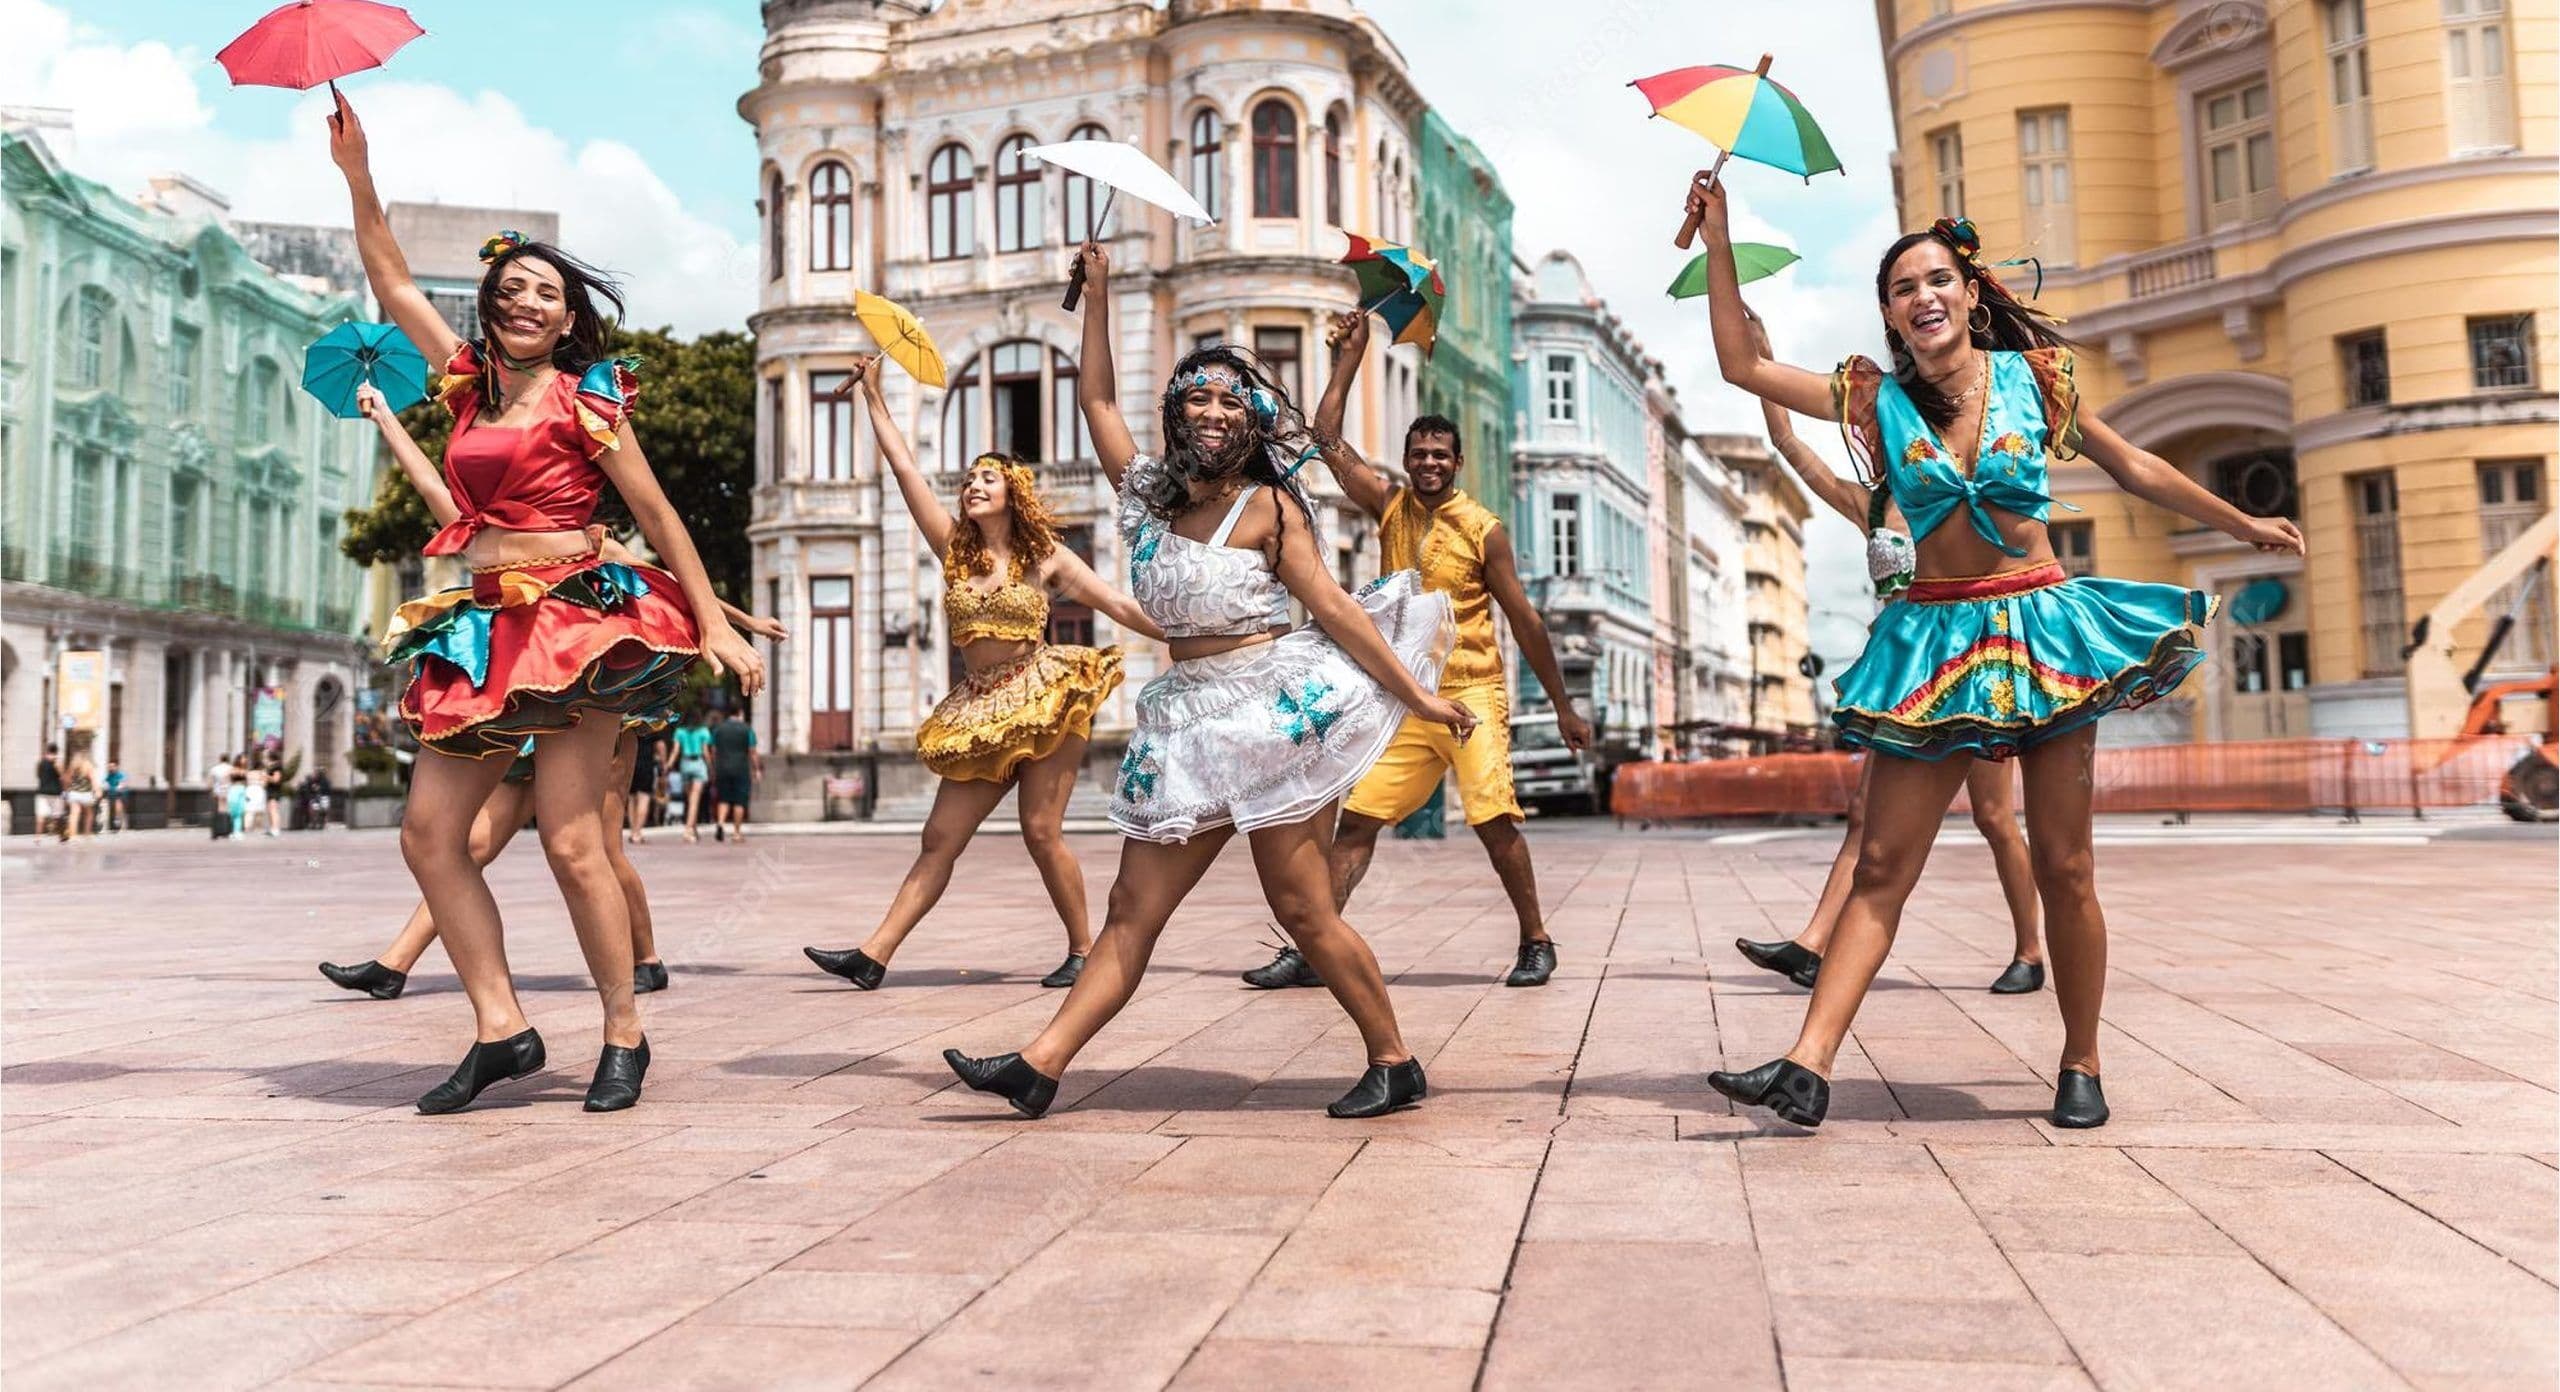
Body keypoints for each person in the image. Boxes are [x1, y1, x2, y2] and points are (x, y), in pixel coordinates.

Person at [1685, 176, 2302, 1130]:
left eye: (1937, 279)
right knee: (1884, 865)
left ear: (1970, 294)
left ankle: (2082, 1060)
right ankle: (1806, 1064)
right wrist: (1719, 239)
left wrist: (2241, 521)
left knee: (2067, 865)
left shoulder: (2037, 381)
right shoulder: (1870, 399)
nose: (1922, 297)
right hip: (1933, 636)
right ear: (1890, 314)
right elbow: (1740, 365)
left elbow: (2134, 465)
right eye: (1902, 288)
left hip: (2044, 627)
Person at [940, 241, 1475, 1122]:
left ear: (1255, 421)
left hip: (1271, 712)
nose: (1214, 408)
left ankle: (1394, 1059)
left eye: (1232, 398)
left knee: (1302, 909)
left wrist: (1418, 695)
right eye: (1199, 394)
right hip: (1186, 726)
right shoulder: (1148, 494)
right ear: (1178, 411)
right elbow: (1098, 398)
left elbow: (1336, 611)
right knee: (1130, 910)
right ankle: (1037, 1068)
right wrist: (1102, 295)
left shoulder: (1271, 505)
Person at [330, 88, 764, 1115]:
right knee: (429, 836)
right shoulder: (464, 385)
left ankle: (623, 1029)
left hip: (574, 623)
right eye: (510, 288)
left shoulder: (588, 401)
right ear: (490, 304)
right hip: (483, 627)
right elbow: (389, 274)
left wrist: (710, 623)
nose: (525, 302)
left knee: (575, 844)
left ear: (569, 320)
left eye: (545, 295)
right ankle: (501, 1026)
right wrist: (358, 175)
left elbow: (657, 515)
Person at [351, 392, 786, 1006]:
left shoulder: (583, 540)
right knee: (466, 844)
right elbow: (436, 495)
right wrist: (387, 419)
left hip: (588, 698)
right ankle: (394, 963)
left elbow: (664, 581)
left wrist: (733, 619)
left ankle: (645, 957)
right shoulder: (487, 529)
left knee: (594, 848)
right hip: (513, 705)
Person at [1233, 310, 1593, 994]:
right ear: (1408, 460)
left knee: (1493, 820)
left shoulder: (1483, 531)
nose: (1429, 464)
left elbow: (1527, 621)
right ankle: (1314, 947)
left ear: (1456, 463)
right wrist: (1350, 357)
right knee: (1360, 820)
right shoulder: (1390, 505)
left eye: (1440, 455)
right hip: (1405, 695)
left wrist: (1563, 708)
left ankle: (1536, 939)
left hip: (1472, 696)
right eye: (1419, 454)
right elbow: (1329, 439)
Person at [803, 357, 1157, 993]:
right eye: (969, 479)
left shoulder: (1046, 558)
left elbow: (1121, 606)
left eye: (987, 478)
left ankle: (1083, 950)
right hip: (980, 708)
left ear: (1012, 491)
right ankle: (873, 954)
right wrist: (875, 398)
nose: (973, 486)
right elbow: (906, 471)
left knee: (1040, 832)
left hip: (1045, 696)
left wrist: (1194, 634)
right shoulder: (953, 550)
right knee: (939, 836)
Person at [1730, 308, 2046, 996]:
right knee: (1864, 814)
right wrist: (1764, 360)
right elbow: (1789, 443)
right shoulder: (1868, 506)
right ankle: (1813, 943)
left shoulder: (1961, 494)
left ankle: (2030, 948)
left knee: (1995, 817)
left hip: (1974, 656)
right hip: (1905, 671)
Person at [708, 709, 759, 844]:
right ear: (740, 713)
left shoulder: (718, 730)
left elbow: (713, 751)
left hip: (722, 768)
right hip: (741, 768)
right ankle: (736, 833)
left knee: (723, 799)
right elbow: (752, 751)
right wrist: (756, 769)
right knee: (739, 801)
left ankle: (720, 823)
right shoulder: (747, 729)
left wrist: (714, 768)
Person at [671, 713, 714, 843]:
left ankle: (693, 829)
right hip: (698, 763)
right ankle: (688, 830)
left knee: (690, 800)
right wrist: (711, 768)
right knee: (694, 800)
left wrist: (668, 765)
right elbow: (706, 752)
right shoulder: (703, 731)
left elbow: (675, 751)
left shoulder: (680, 731)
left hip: (685, 763)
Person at [625, 725, 663, 843]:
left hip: (631, 765)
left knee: (631, 799)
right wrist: (663, 765)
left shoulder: (629, 725)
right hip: (647, 765)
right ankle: (637, 832)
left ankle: (632, 831)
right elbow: (660, 746)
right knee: (644, 798)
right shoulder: (650, 725)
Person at [60, 751, 97, 841]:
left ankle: (73, 836)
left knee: (74, 814)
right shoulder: (88, 766)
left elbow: (66, 780)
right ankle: (87, 834)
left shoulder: (72, 767)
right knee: (89, 814)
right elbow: (93, 780)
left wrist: (65, 790)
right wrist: (97, 790)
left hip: (74, 793)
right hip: (86, 794)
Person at [33, 744, 61, 840]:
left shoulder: (40, 763)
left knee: (40, 816)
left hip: (42, 792)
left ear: (47, 751)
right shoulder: (57, 763)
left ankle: (37, 837)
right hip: (55, 792)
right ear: (56, 752)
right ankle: (58, 834)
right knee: (57, 815)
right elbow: (62, 776)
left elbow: (38, 775)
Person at [102, 759, 130, 833]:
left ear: (117, 767)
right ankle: (108, 824)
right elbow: (104, 782)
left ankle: (120, 823)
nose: (110, 768)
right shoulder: (109, 775)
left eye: (112, 766)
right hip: (112, 793)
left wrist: (119, 787)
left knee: (119, 807)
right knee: (107, 806)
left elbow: (122, 783)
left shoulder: (121, 774)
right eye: (109, 766)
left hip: (121, 794)